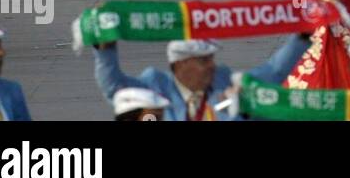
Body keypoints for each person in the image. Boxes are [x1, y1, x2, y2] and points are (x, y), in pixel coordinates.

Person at [94, 36, 307, 121]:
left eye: (211, 59)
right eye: (203, 61)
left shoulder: (226, 83)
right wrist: (105, 49)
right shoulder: (155, 88)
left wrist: (302, 37)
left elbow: (273, 72)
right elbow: (114, 87)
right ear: (180, 64)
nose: (211, 65)